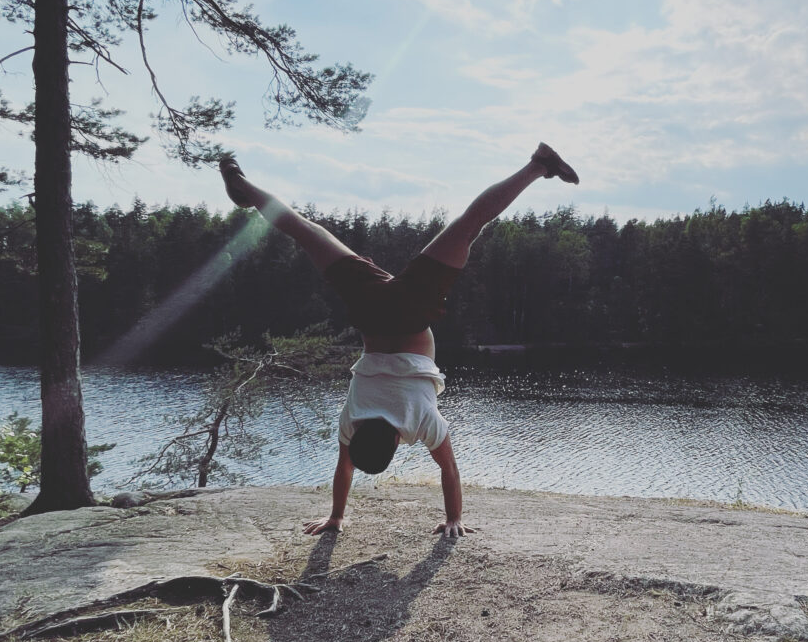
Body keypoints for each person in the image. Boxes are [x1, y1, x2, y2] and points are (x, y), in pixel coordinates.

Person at [218, 144, 579, 538]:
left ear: (395, 440)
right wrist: (335, 516)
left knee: (470, 225)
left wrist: (454, 518)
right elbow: (345, 467)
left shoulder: (418, 420)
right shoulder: (351, 421)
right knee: (307, 232)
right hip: (370, 307)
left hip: (411, 309)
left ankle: (538, 166)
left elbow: (448, 468)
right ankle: (244, 186)